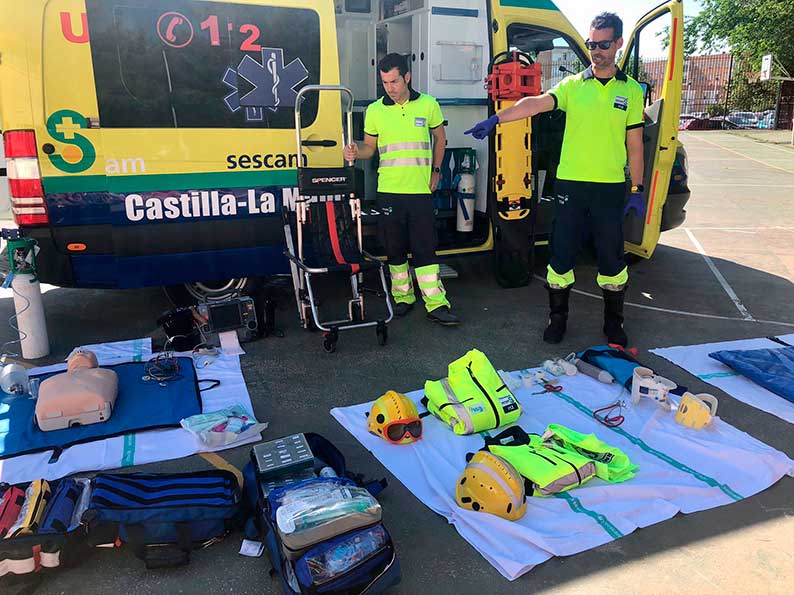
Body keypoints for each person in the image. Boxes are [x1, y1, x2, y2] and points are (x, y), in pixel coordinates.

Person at [464, 12, 645, 346]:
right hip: (571, 187)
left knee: (611, 260)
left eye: (603, 44)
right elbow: (535, 103)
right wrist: (498, 119)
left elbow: (635, 143)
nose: (596, 51)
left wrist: (637, 188)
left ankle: (613, 323)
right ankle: (557, 319)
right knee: (561, 256)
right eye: (592, 44)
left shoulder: (632, 91)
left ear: (618, 44)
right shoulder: (574, 86)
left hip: (609, 189)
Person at [344, 53, 460, 326]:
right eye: (385, 83)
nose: (390, 88)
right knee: (394, 248)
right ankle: (403, 298)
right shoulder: (374, 111)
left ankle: (436, 304)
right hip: (389, 191)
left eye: (394, 81)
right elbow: (369, 148)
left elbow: (440, 139)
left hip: (420, 191)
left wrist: (436, 171)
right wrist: (354, 151)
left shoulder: (429, 105)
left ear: (407, 77)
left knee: (425, 249)